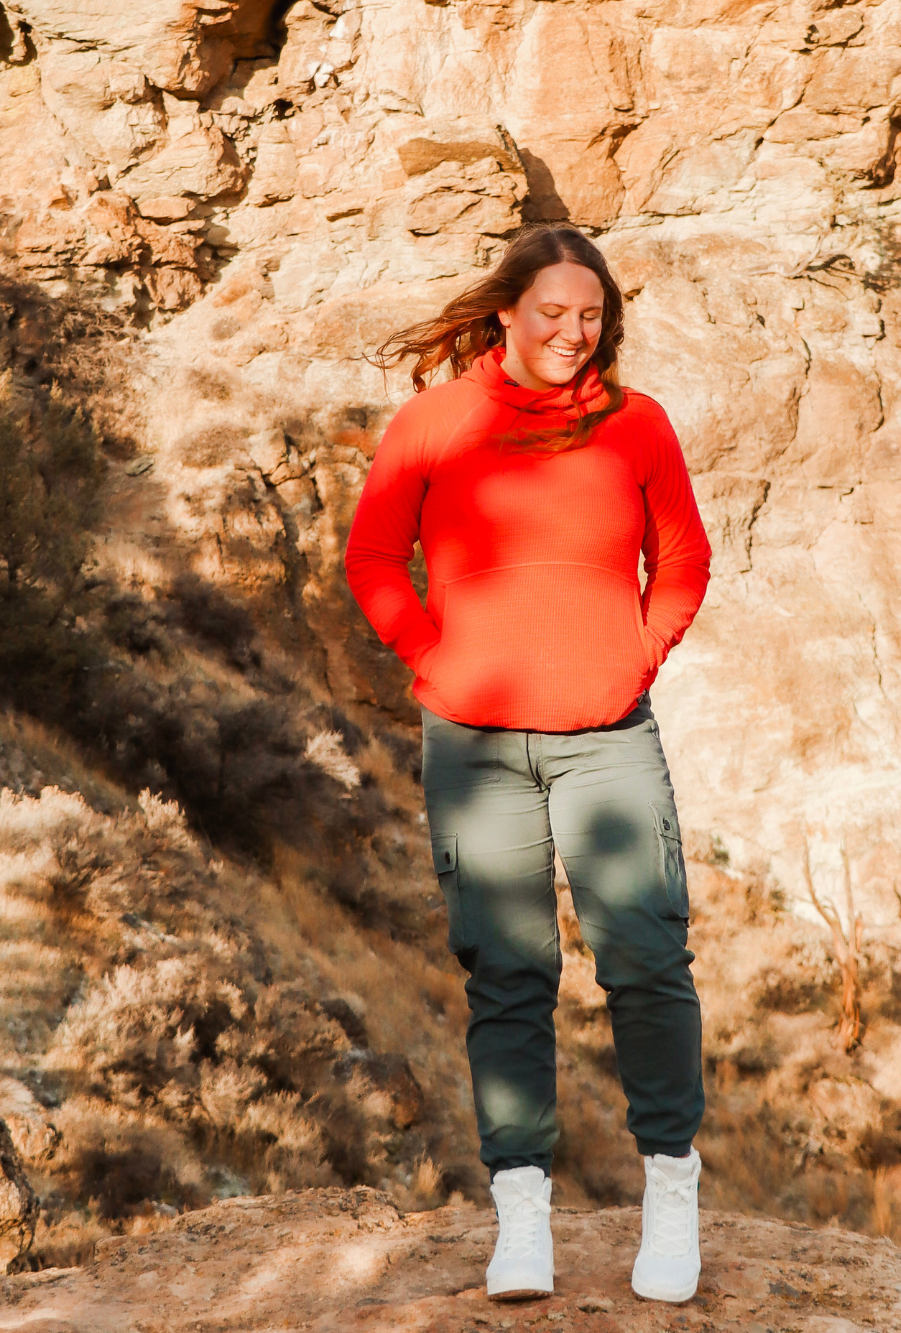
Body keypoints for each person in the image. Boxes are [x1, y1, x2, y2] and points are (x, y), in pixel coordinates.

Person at [344, 224, 713, 1304]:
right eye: (551, 311)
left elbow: (681, 556)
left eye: (589, 315)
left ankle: (671, 1195)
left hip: (608, 734)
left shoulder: (636, 424)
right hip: (474, 743)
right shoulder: (433, 422)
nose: (571, 331)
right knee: (508, 976)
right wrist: (428, 654)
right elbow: (372, 556)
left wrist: (637, 649)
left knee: (644, 960)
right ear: (504, 312)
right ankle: (521, 1215)